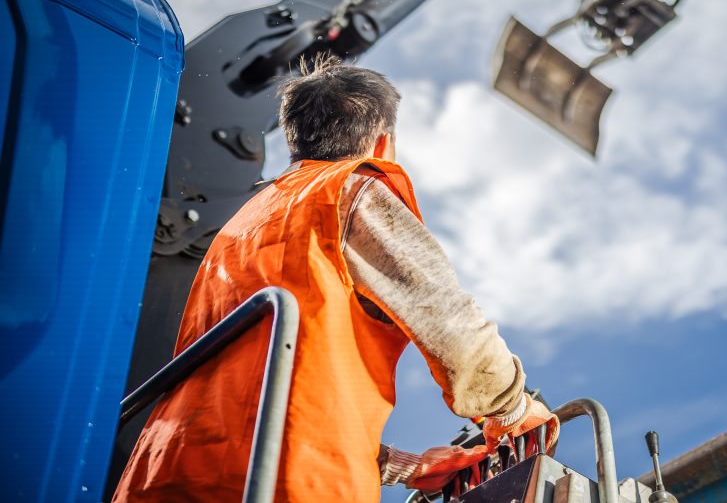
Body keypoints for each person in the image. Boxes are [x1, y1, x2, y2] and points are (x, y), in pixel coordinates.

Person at [114, 56, 557, 501]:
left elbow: (266, 394)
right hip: (283, 482)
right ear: (383, 142)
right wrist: (511, 409)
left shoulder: (243, 226)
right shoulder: (350, 191)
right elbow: (446, 316)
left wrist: (407, 467)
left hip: (168, 471)